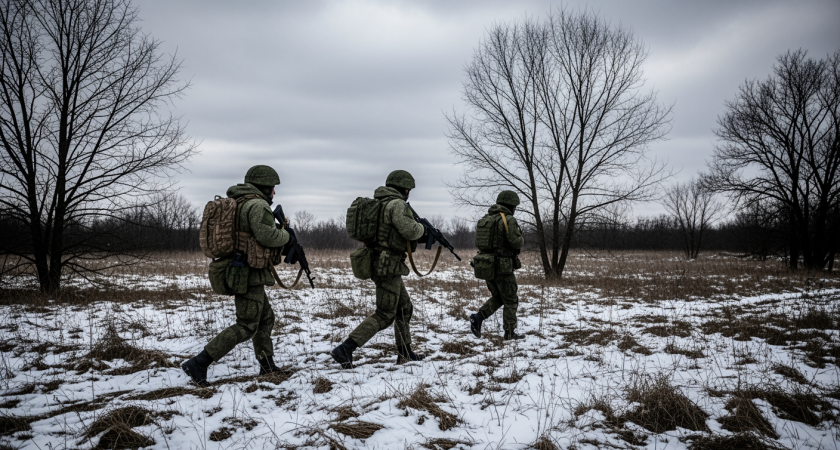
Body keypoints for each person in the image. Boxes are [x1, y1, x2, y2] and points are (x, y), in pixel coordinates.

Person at [182, 165, 289, 386]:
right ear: (264, 187)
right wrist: (285, 235)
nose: (274, 193)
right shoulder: (257, 205)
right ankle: (199, 363)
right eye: (272, 188)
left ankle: (267, 365)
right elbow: (267, 236)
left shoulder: (239, 202)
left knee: (265, 319)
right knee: (248, 324)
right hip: (247, 272)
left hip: (242, 269)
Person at [331, 170, 426, 369]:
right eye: (409, 189)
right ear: (405, 188)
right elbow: (410, 230)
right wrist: (422, 228)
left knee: (404, 308)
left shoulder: (380, 204)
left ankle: (405, 352)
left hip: (380, 261)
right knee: (385, 313)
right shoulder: (396, 204)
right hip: (387, 264)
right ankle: (346, 348)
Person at [469, 190, 526, 341]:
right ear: (511, 205)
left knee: (500, 297)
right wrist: (521, 237)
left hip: (486, 265)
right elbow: (516, 241)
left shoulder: (486, 219)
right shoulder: (508, 220)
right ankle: (509, 333)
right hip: (502, 266)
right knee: (511, 299)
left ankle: (478, 317)